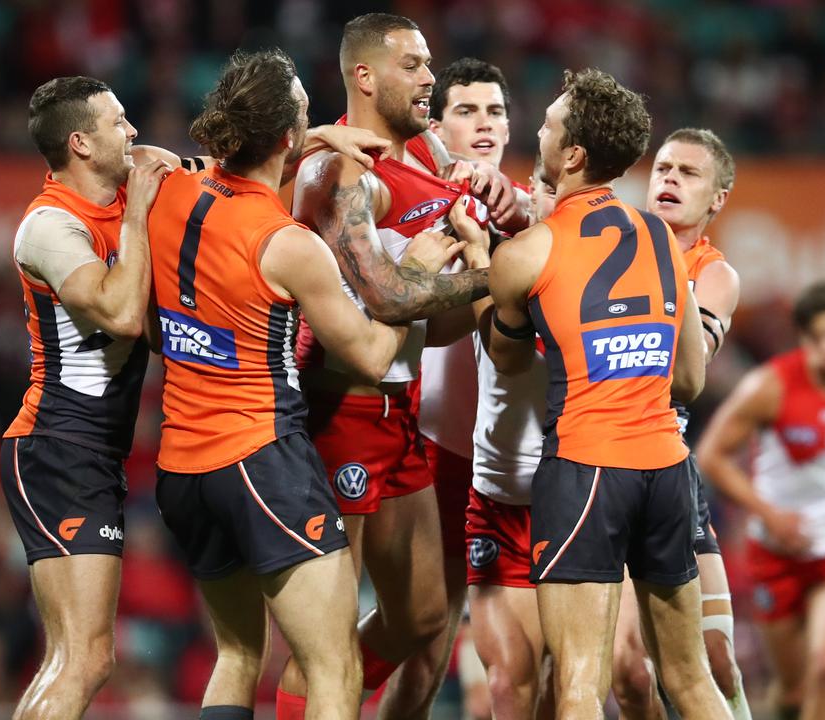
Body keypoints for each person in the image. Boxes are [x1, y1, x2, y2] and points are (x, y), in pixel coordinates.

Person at [149, 48, 459, 719]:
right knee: (333, 665)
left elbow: (157, 159)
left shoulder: (171, 190)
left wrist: (315, 136)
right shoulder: (287, 243)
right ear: (287, 140)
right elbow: (376, 352)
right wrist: (423, 275)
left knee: (237, 655)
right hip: (261, 459)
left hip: (179, 466)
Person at [276, 13, 527, 719]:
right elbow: (386, 298)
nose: (428, 78)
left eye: (427, 65)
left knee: (419, 618)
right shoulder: (336, 170)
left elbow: (436, 323)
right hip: (338, 415)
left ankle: (330, 702)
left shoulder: (430, 172)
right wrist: (493, 274)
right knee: (323, 642)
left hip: (402, 412)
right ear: (364, 76)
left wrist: (482, 263)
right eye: (413, 65)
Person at [486, 67, 728, 720]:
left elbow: (507, 361)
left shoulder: (527, 253)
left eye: (548, 123)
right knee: (691, 677)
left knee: (578, 686)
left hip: (587, 470)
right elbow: (691, 380)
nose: (536, 128)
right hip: (667, 471)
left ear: (572, 154)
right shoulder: (661, 237)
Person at [0, 76, 171, 720]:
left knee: (73, 656)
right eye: (118, 121)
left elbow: (236, 168)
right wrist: (139, 211)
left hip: (88, 452)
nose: (132, 132)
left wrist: (317, 138)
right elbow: (124, 315)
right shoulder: (47, 227)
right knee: (87, 658)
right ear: (81, 142)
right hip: (55, 445)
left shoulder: (124, 195)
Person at [696, 281, 825, 720]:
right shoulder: (768, 387)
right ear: (801, 338)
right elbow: (711, 456)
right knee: (794, 691)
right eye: (815, 338)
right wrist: (768, 515)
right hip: (777, 551)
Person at [610, 128, 751, 720]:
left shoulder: (715, 275)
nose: (668, 179)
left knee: (713, 657)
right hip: (599, 458)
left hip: (668, 468)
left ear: (717, 199)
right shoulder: (611, 245)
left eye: (688, 174)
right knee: (627, 673)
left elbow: (681, 370)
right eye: (663, 168)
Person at [404, 56, 522, 713]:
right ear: (436, 125)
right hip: (442, 453)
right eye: (466, 110)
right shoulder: (421, 198)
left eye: (495, 111)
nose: (483, 123)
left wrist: (521, 206)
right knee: (425, 647)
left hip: (523, 464)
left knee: (521, 670)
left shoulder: (532, 210)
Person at [464, 159, 555, 718]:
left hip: (568, 500)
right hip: (495, 500)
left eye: (548, 188)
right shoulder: (500, 255)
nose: (536, 196)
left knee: (564, 685)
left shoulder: (586, 273)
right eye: (535, 186)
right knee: (507, 686)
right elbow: (501, 350)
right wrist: (478, 255)